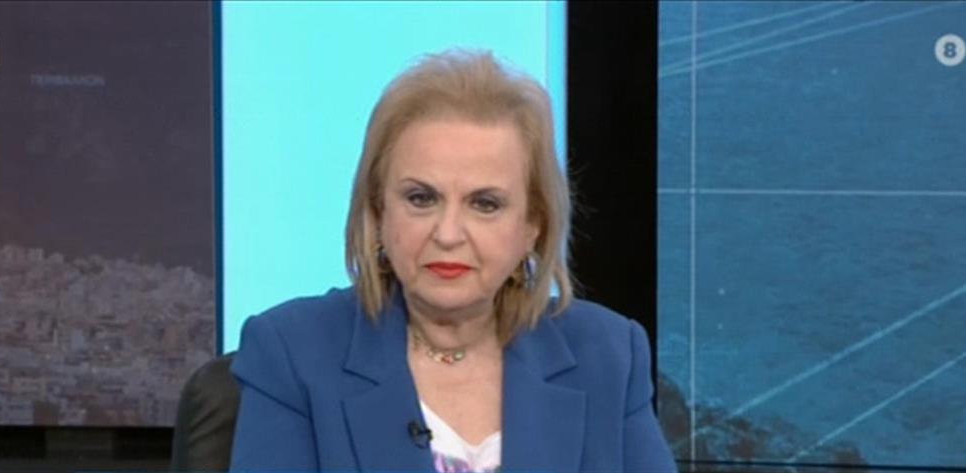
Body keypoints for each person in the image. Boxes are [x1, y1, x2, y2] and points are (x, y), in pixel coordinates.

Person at [229, 49, 676, 473]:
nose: (447, 234)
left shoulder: (608, 356)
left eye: (485, 204)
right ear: (379, 211)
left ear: (532, 225)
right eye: (421, 198)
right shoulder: (293, 353)